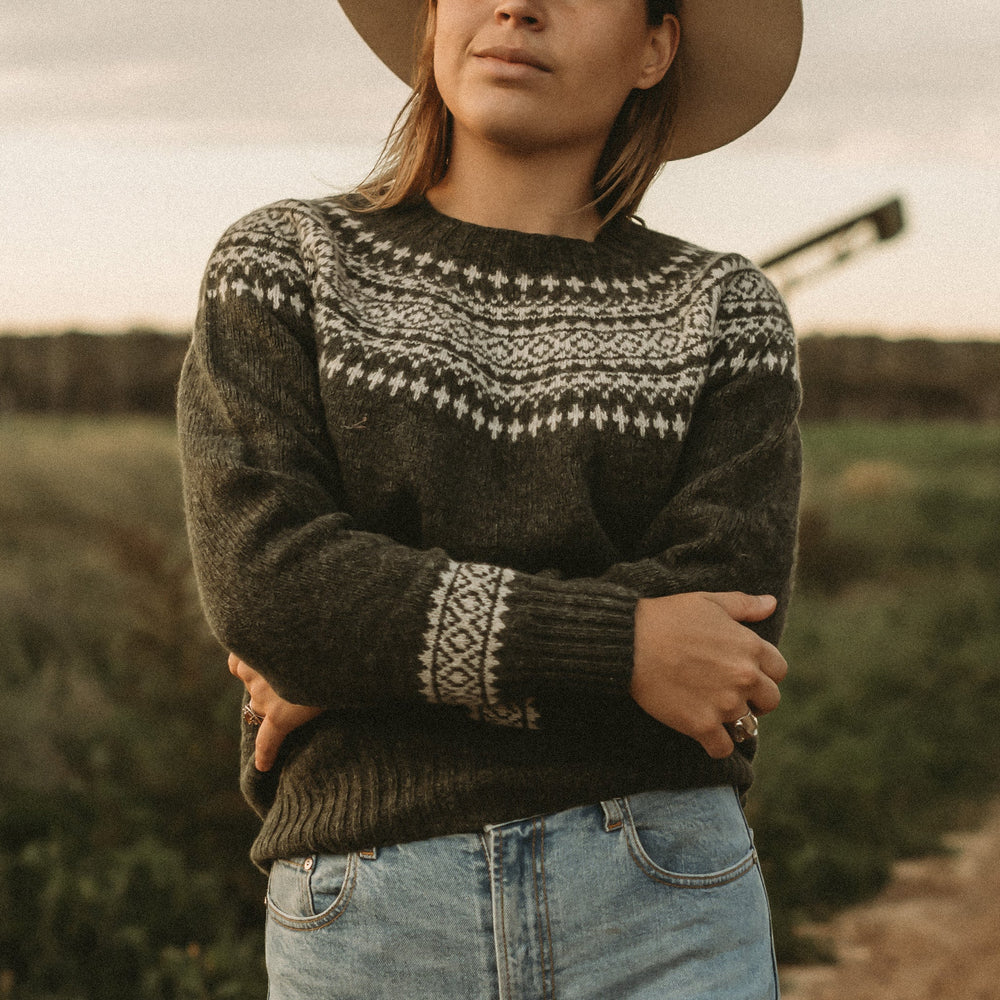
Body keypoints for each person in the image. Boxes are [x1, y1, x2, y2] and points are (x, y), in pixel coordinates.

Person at [178, 0, 803, 996]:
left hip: (658, 892)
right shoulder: (284, 267)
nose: (517, 3)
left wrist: (362, 665)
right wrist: (620, 646)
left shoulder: (725, 312)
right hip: (373, 915)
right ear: (432, 20)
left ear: (654, 46)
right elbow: (273, 587)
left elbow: (720, 632)